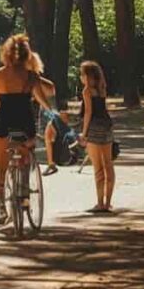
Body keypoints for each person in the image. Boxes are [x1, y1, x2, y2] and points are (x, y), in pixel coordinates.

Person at [0, 34, 54, 225]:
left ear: (6, 54)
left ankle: (2, 208)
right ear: (27, 55)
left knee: (0, 167)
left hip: (2, 124)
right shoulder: (31, 76)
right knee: (25, 160)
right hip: (25, 124)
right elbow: (43, 100)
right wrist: (53, 113)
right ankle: (25, 196)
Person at [79, 60, 115, 212]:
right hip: (106, 126)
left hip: (93, 127)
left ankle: (100, 203)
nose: (81, 77)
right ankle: (108, 202)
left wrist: (84, 133)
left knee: (98, 168)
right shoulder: (102, 89)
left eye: (82, 74)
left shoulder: (87, 91)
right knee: (108, 164)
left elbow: (88, 112)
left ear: (87, 76)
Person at [43, 108, 79, 175]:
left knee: (50, 131)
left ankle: (52, 162)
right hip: (55, 109)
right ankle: (51, 162)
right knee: (49, 133)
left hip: (55, 109)